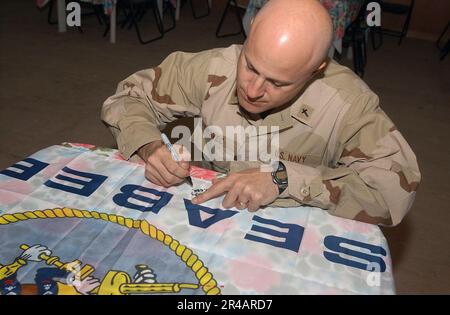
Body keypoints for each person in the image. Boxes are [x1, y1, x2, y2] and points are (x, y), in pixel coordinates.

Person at [101, 0, 420, 226]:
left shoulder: (347, 102)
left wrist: (284, 181)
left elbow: (393, 194)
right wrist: (150, 146)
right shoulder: (214, 66)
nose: (252, 90)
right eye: (250, 66)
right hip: (209, 211)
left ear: (315, 71)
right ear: (250, 33)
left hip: (291, 226)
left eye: (278, 82)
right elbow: (126, 98)